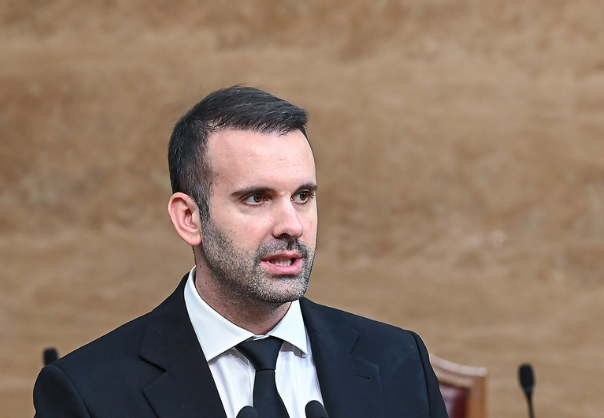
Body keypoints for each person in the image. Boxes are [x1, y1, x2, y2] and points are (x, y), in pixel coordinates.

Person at [33, 86, 448, 418]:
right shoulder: (89, 393)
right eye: (256, 198)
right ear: (189, 218)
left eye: (302, 196)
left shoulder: (399, 360)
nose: (292, 225)